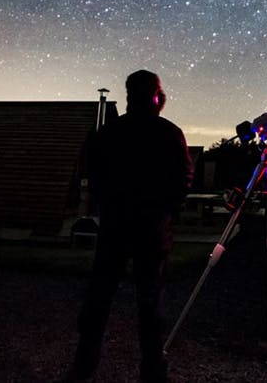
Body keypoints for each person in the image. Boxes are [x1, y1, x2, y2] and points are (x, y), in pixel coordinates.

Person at [71, 70, 194, 382]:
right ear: (156, 96)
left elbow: (94, 174)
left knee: (99, 297)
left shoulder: (108, 132)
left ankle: (83, 366)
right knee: (150, 303)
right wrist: (170, 210)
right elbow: (183, 178)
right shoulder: (169, 133)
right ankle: (153, 371)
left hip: (114, 226)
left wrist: (108, 205)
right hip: (151, 230)